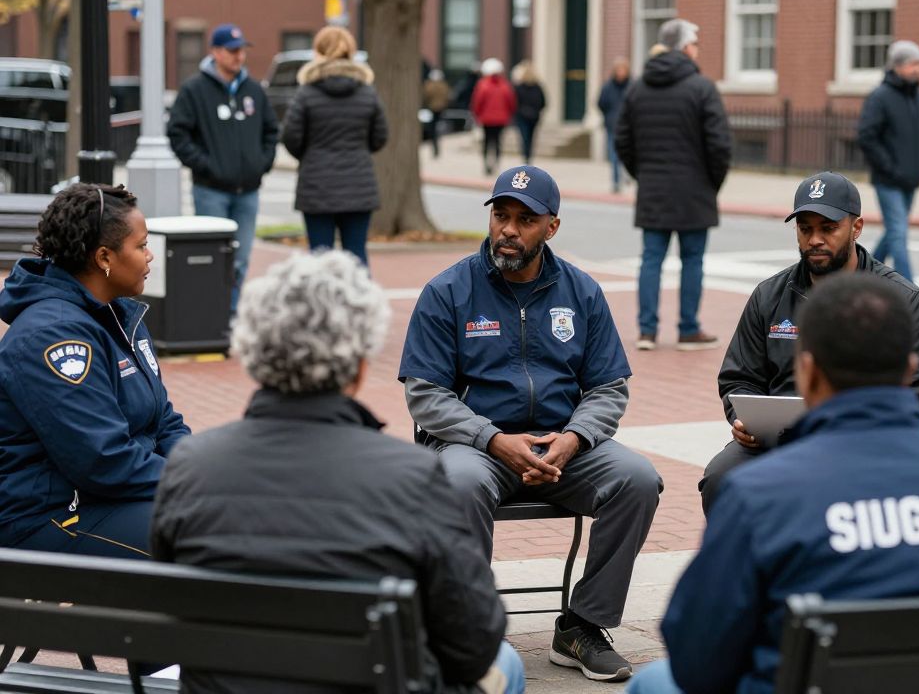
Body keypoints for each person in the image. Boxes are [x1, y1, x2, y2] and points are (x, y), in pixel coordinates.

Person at [627, 272, 919, 694]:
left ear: (809, 371)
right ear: (910, 371)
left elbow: (696, 660)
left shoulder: (760, 495)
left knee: (654, 682)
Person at [151, 250, 524, 694]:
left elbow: (175, 607)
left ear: (254, 354)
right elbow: (475, 640)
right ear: (359, 365)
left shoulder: (191, 464)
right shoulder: (411, 474)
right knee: (507, 662)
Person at [398, 165, 662, 683]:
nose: (509, 230)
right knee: (460, 482)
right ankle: (470, 631)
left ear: (552, 227)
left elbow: (609, 387)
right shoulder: (448, 290)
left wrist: (573, 439)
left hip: (564, 447)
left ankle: (582, 626)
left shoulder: (582, 292)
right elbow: (424, 395)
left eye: (525, 219)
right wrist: (492, 439)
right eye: (501, 216)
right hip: (475, 446)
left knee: (637, 480)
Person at [700, 172, 919, 514]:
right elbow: (739, 377)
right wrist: (743, 420)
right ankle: (744, 565)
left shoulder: (900, 299)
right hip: (778, 442)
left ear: (856, 228)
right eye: (805, 228)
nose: (815, 239)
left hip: (866, 445)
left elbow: (918, 396)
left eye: (828, 228)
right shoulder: (770, 295)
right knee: (722, 477)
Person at [0, 184, 189, 558]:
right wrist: (192, 484)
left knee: (233, 521)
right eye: (141, 246)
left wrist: (206, 470)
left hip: (110, 496)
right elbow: (103, 461)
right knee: (208, 543)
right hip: (47, 515)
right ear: (105, 256)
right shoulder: (52, 336)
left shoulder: (119, 315)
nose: (150, 256)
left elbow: (163, 422)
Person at [615, 18, 732, 352]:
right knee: (692, 260)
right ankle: (688, 329)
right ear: (685, 47)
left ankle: (647, 331)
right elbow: (720, 144)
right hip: (695, 189)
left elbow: (622, 139)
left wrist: (642, 173)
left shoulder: (638, 87)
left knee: (651, 259)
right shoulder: (701, 87)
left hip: (653, 188)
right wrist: (713, 182)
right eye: (695, 43)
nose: (697, 49)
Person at [167, 23, 279, 315]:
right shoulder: (194, 90)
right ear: (215, 52)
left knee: (240, 259)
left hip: (248, 192)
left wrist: (261, 164)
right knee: (212, 256)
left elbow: (271, 131)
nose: (238, 56)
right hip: (211, 191)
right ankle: (210, 317)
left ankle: (229, 317)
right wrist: (207, 166)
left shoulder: (253, 90)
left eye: (241, 50)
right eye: (232, 51)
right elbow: (178, 134)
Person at [281, 26, 388, 265]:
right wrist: (358, 151)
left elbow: (290, 137)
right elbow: (380, 136)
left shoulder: (306, 93)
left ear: (318, 51)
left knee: (319, 257)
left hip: (316, 185)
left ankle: (320, 303)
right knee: (357, 254)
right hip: (358, 185)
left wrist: (310, 155)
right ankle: (360, 302)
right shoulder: (366, 93)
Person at [857, 40, 919, 283]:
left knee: (894, 232)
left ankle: (862, 272)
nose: (918, 69)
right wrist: (889, 167)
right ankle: (909, 287)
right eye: (913, 64)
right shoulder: (880, 97)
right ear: (897, 66)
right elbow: (867, 136)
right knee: (899, 232)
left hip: (911, 179)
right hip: (888, 180)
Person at [471, 58, 517, 176]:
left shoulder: (482, 84)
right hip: (501, 119)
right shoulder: (505, 85)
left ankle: (487, 163)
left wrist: (476, 114)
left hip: (486, 119)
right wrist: (510, 114)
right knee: (497, 141)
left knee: (487, 141)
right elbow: (511, 102)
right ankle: (496, 162)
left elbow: (477, 102)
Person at [598, 57, 631, 193]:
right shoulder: (608, 87)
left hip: (628, 126)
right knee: (614, 155)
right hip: (612, 125)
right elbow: (601, 103)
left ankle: (626, 175)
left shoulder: (631, 86)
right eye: (618, 70)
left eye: (623, 70)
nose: (621, 73)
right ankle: (616, 181)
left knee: (626, 154)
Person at [511, 60, 546, 165]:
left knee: (524, 136)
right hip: (534, 116)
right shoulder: (538, 87)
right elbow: (543, 102)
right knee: (530, 137)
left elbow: (514, 102)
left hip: (522, 116)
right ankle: (528, 155)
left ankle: (526, 155)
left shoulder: (518, 87)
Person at [423, 68, 450, 158]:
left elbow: (425, 96)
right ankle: (437, 146)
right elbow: (448, 97)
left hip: (431, 109)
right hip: (441, 109)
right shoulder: (444, 86)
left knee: (432, 129)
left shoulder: (428, 85)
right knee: (438, 128)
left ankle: (435, 147)